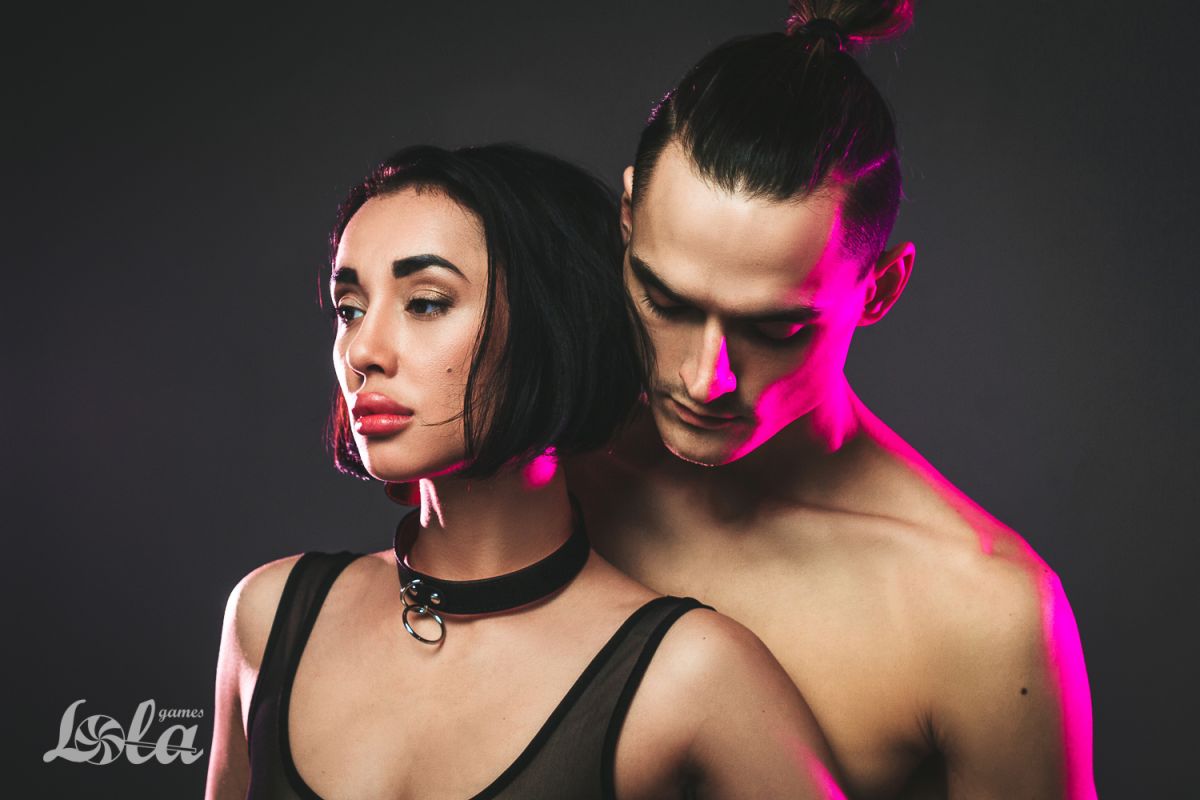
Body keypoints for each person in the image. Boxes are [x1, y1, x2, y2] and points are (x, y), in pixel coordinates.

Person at [568, 2, 1097, 797]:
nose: (705, 378)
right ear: (626, 219)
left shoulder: (982, 613)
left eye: (776, 327)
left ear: (880, 288)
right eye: (666, 302)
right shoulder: (543, 472)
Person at [205, 143, 842, 799]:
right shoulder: (269, 616)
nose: (362, 350)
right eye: (350, 308)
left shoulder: (691, 675)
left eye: (426, 302)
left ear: (551, 325)